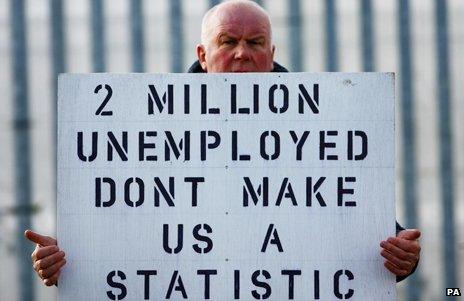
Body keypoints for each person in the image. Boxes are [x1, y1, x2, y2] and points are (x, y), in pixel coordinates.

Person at [25, 0, 421, 287]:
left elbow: (360, 220)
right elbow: (118, 218)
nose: (241, 54)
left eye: (254, 43)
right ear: (203, 53)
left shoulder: (322, 128)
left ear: (271, 53)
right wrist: (64, 261)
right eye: (228, 41)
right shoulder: (147, 127)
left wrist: (403, 258)